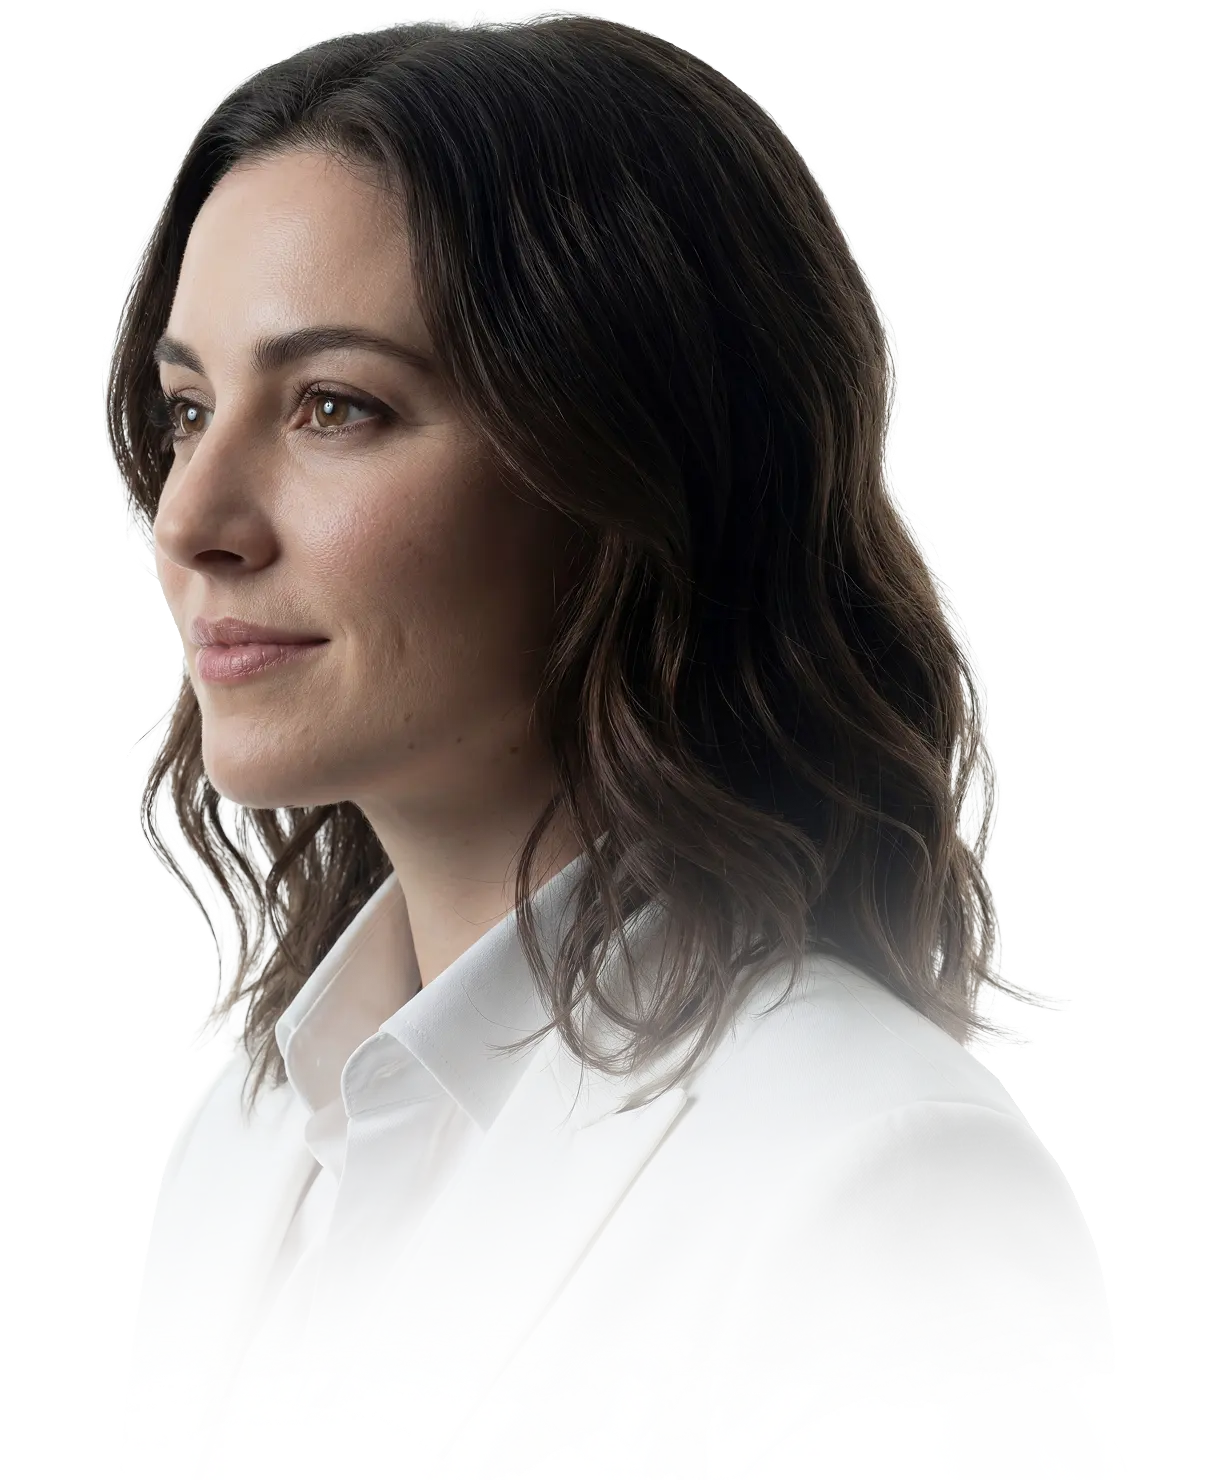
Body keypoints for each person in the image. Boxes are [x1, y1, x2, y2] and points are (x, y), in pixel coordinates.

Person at [113, 13, 1116, 1477]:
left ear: (632, 469)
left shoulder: (874, 1181)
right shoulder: (250, 1140)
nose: (191, 521)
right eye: (189, 409)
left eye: (336, 407)